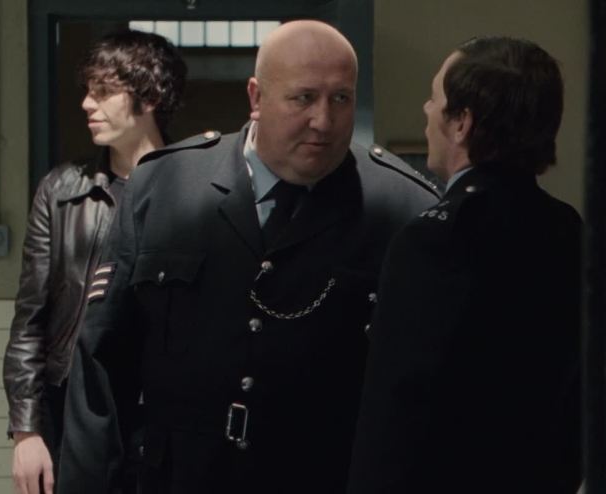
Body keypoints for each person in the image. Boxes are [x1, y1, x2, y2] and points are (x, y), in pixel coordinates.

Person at [58, 20, 438, 494]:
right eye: (303, 98)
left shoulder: (402, 208)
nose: (323, 120)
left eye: (340, 98)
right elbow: (101, 365)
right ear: (256, 98)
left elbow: (426, 392)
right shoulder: (164, 187)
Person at [348, 36, 582, 493]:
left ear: (461, 123)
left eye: (435, 98)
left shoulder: (436, 240)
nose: (426, 110)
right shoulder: (568, 231)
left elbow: (395, 413)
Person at [2, 29, 186, 494]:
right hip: (76, 407)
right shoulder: (63, 191)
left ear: (149, 96)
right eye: (88, 90)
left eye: (103, 92)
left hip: (167, 415)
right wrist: (27, 431)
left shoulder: (195, 189)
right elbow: (30, 320)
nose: (87, 104)